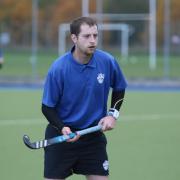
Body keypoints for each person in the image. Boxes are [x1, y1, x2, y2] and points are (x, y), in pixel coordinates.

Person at [42, 16, 127, 180]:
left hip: (93, 138)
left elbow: (119, 88)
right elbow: (47, 107)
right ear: (74, 38)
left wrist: (112, 114)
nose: (92, 40)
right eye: (87, 36)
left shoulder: (107, 61)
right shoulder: (58, 69)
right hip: (62, 138)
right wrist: (63, 128)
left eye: (95, 35)